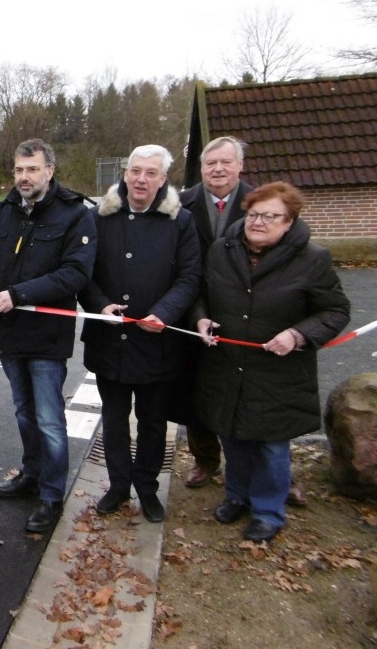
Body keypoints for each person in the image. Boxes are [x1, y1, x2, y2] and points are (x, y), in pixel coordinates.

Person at [194, 181, 349, 542]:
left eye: (270, 216)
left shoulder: (312, 259)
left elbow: (336, 310)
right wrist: (200, 318)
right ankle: (237, 495)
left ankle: (267, 511)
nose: (258, 222)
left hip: (277, 372)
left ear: (289, 221)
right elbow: (201, 294)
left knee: (270, 446)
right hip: (227, 365)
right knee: (232, 435)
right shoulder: (221, 250)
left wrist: (297, 335)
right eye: (253, 214)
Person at [0, 138, 97, 533]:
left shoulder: (75, 214)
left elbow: (76, 273)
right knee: (24, 413)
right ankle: (31, 473)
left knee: (48, 418)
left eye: (31, 169)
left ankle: (51, 494)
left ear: (49, 171)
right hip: (9, 334)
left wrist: (19, 294)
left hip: (46, 337)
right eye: (18, 170)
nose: (23, 177)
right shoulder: (6, 210)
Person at [80, 145, 201, 523]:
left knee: (152, 422)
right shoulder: (99, 216)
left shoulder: (180, 221)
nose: (141, 179)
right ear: (125, 172)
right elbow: (82, 272)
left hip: (157, 343)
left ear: (164, 179)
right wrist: (100, 305)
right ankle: (118, 487)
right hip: (109, 341)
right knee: (114, 419)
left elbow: (189, 276)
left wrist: (163, 313)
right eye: (135, 170)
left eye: (151, 173)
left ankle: (147, 488)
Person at [178, 136, 252, 490]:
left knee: (250, 392)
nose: (218, 169)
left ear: (240, 165)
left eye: (226, 162)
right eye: (211, 163)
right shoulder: (180, 204)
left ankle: (271, 471)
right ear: (202, 168)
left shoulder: (259, 203)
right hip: (194, 305)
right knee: (196, 388)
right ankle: (205, 460)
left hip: (245, 309)